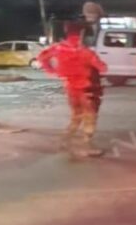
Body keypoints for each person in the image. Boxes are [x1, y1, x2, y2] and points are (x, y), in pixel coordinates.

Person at [37, 21, 107, 158]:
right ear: (81, 34)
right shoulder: (86, 52)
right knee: (90, 117)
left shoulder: (58, 48)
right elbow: (102, 67)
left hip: (70, 88)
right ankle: (87, 146)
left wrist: (52, 70)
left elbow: (41, 58)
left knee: (76, 116)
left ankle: (64, 140)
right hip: (88, 90)